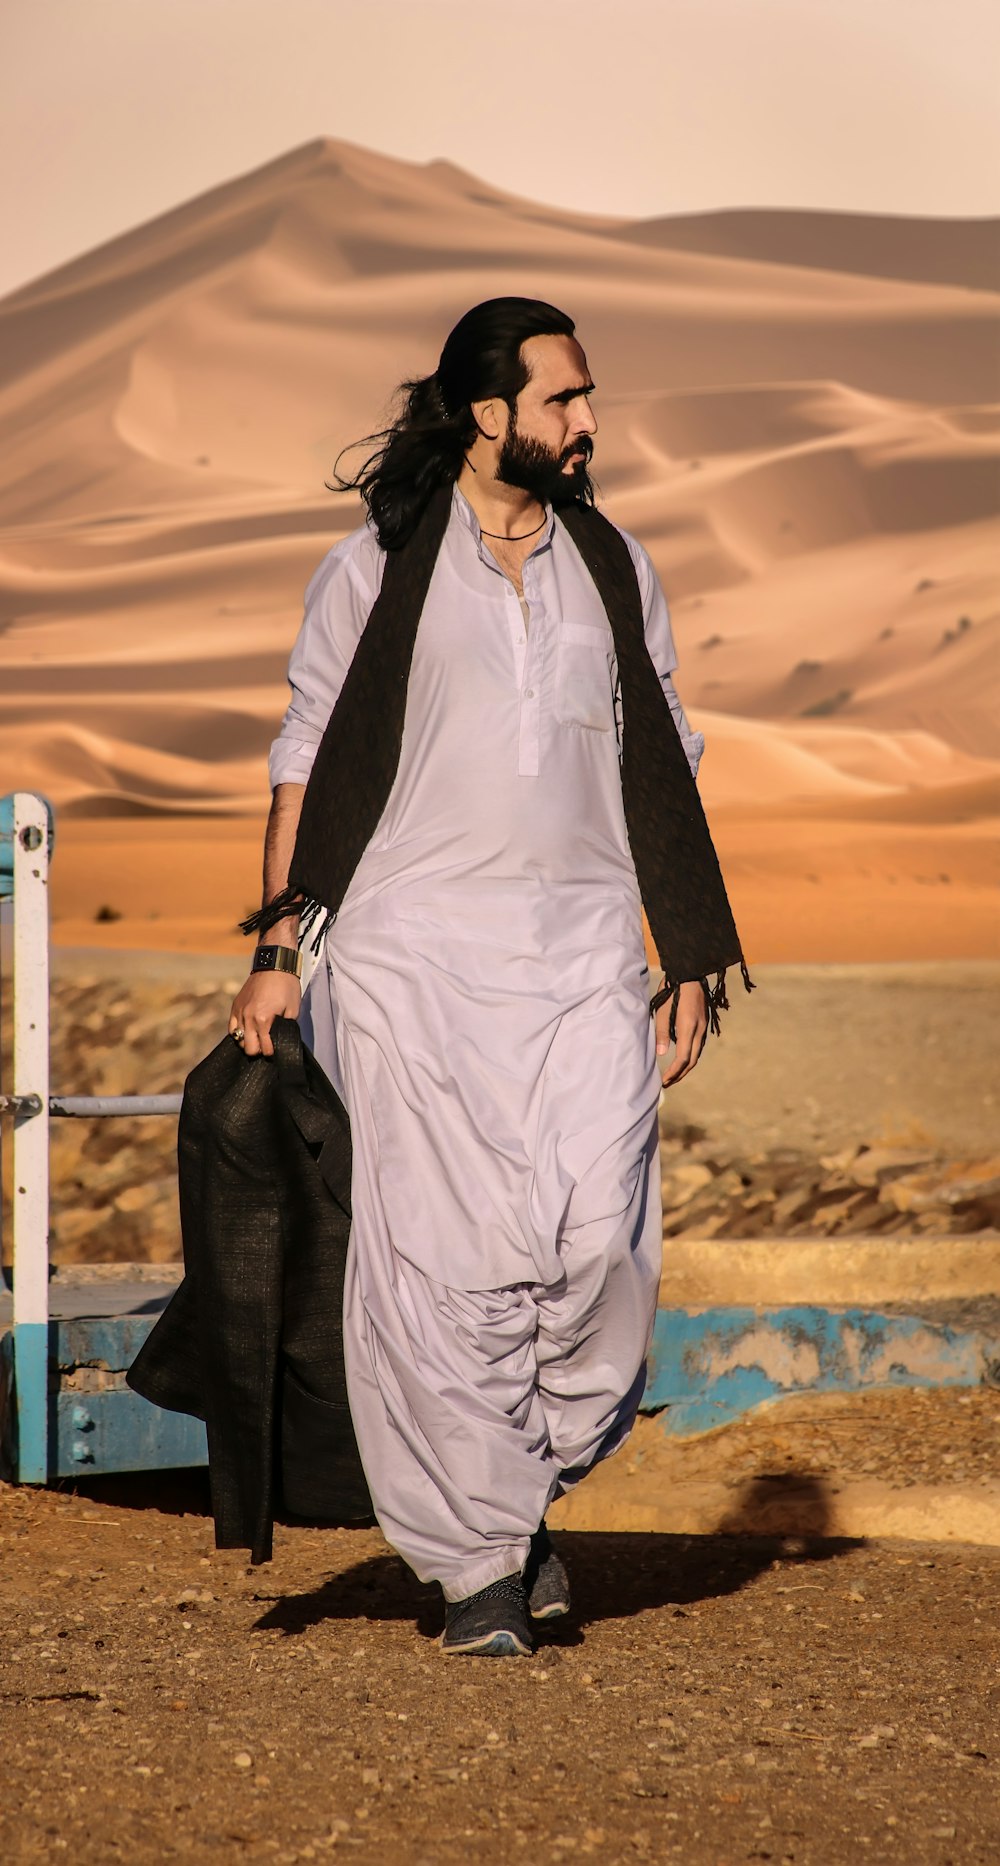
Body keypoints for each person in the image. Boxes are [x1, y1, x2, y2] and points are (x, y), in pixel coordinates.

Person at [229, 297, 750, 1657]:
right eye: (563, 401)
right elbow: (306, 754)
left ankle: (515, 1495)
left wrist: (684, 937)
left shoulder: (615, 565)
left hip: (578, 950)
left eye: (586, 399)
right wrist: (280, 948)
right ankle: (476, 1561)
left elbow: (666, 752)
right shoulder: (372, 571)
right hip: (404, 947)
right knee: (444, 1265)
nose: (587, 424)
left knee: (593, 1252)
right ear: (487, 416)